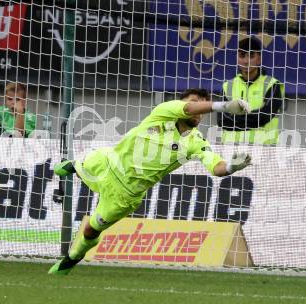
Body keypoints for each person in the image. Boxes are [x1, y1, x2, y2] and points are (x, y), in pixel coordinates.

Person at [48, 88, 253, 275]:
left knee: (91, 229)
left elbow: (216, 168)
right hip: (108, 162)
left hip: (125, 195)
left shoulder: (196, 142)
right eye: (195, 103)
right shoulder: (165, 110)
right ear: (180, 104)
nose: (197, 110)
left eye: (202, 107)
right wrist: (223, 106)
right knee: (83, 162)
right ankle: (73, 165)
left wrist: (232, 167)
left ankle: (73, 258)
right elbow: (189, 107)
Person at [217, 37, 285, 145]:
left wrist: (235, 119)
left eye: (251, 56)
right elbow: (223, 121)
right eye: (242, 56)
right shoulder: (227, 86)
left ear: (259, 58)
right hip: (231, 150)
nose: (246, 61)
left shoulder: (271, 84)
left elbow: (265, 116)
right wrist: (253, 118)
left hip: (264, 151)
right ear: (237, 58)